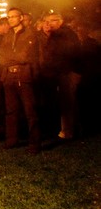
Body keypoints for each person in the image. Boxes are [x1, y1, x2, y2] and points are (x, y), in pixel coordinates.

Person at [0, 7, 41, 153]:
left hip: (24, 76)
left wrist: (12, 57)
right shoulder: (8, 34)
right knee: (11, 111)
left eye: (13, 17)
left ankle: (34, 143)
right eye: (8, 17)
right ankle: (11, 140)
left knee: (30, 110)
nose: (10, 19)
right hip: (8, 76)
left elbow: (25, 56)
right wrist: (12, 58)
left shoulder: (30, 34)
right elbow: (1, 57)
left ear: (21, 17)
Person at [42, 13, 82, 141]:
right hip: (61, 72)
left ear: (60, 21)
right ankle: (70, 129)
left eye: (53, 21)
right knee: (65, 102)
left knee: (68, 102)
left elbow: (66, 53)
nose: (50, 23)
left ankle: (68, 131)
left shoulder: (65, 34)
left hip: (68, 72)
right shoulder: (54, 35)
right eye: (47, 21)